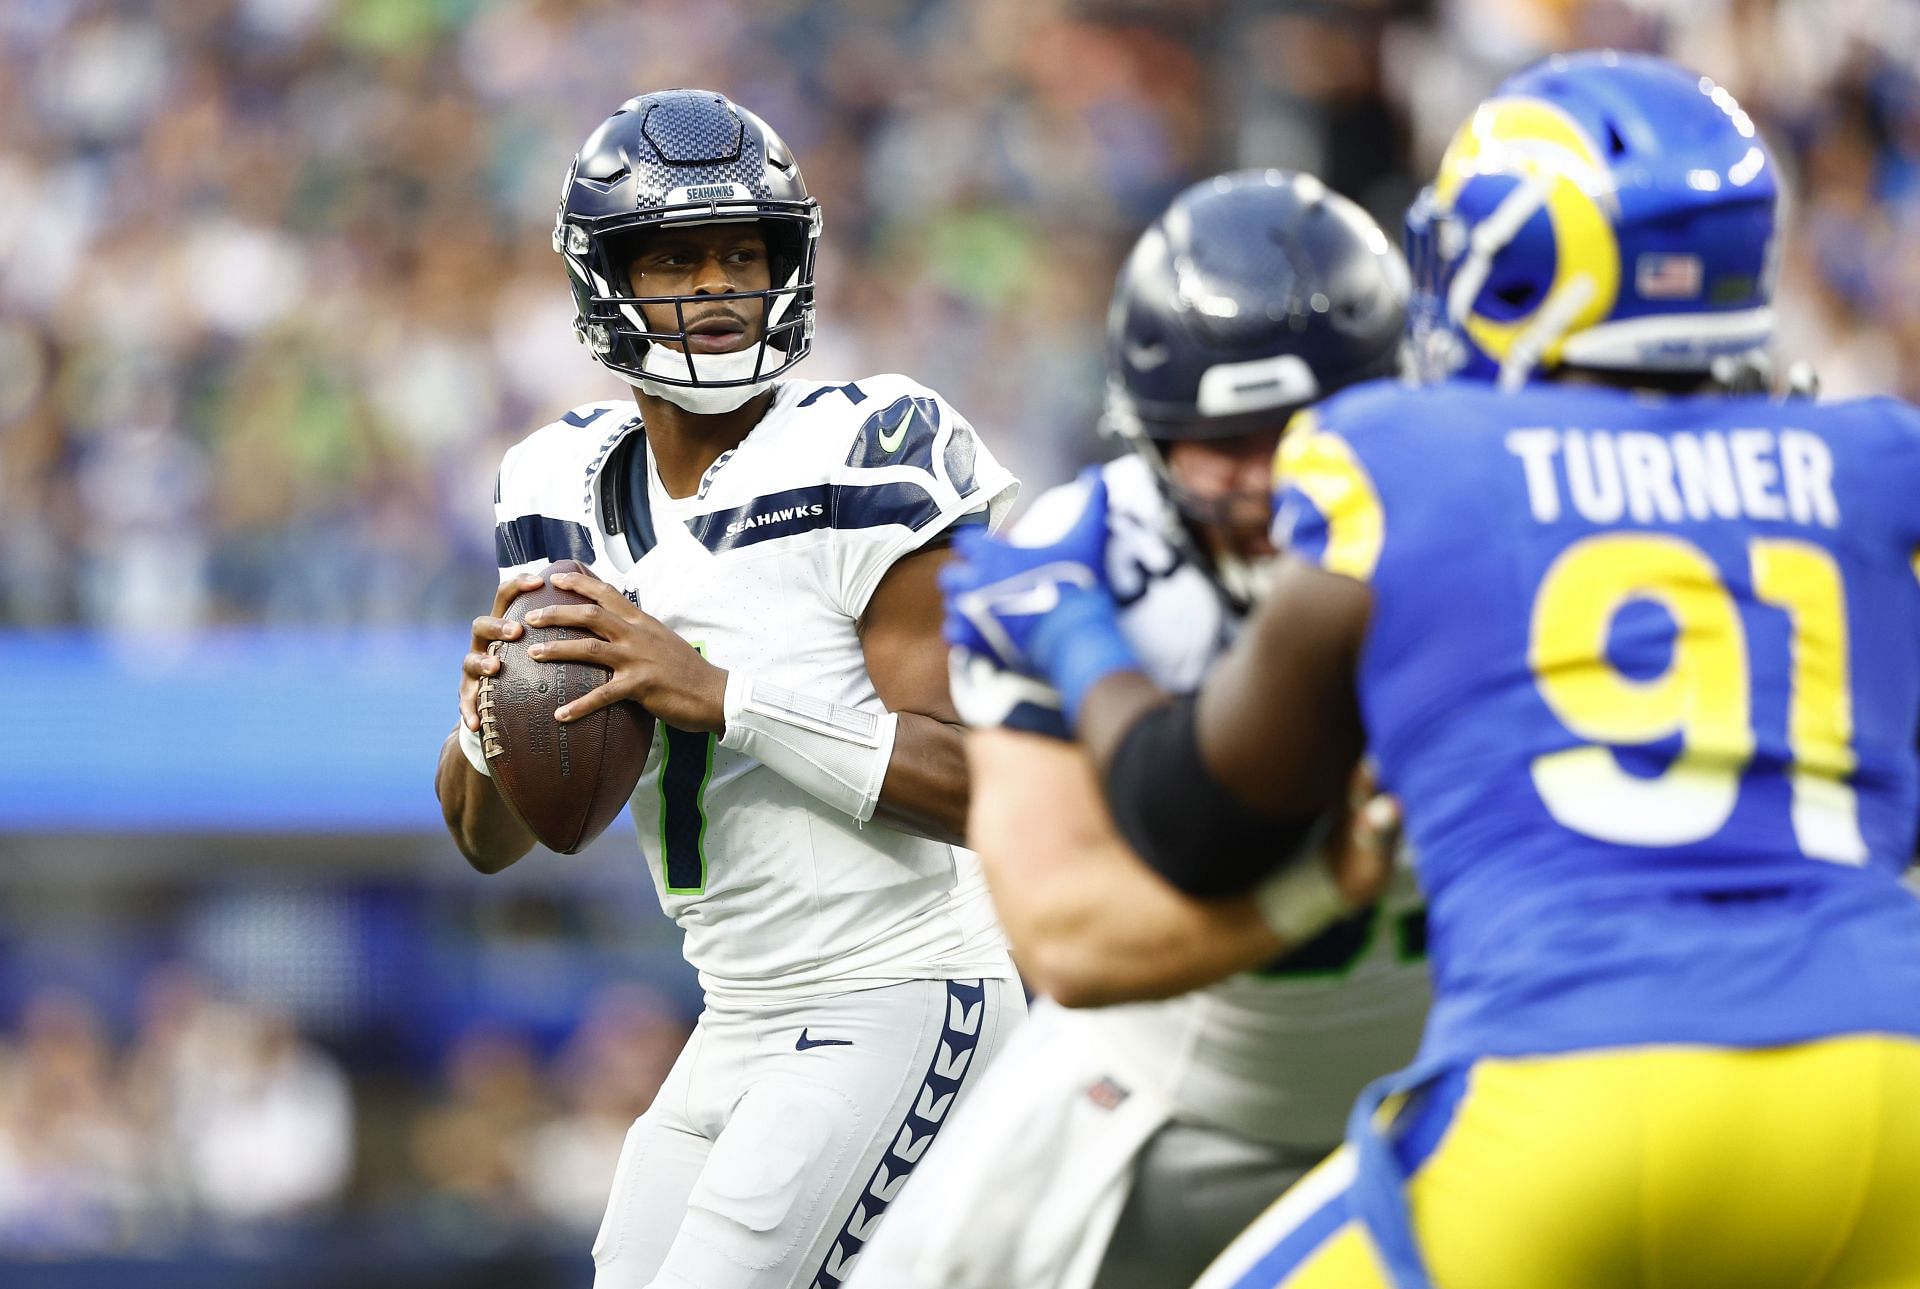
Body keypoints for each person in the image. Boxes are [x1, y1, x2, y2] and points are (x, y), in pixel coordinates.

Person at [943, 52, 1920, 1288]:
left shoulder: (1413, 461)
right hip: (1890, 1072)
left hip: (1575, 1086)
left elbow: (1197, 822)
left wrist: (1075, 632)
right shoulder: (1877, 458)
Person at [432, 89, 1026, 1289]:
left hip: (903, 986)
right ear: (607, 281)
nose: (714, 287)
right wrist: (490, 711)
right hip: (734, 1012)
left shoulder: (873, 446)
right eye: (677, 259)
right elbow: (491, 841)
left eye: (742, 255)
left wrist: (723, 692)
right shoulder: (552, 483)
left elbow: (988, 784)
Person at [847, 170, 1426, 1289]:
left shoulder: (1482, 529)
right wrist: (1318, 889)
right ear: (1157, 435)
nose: (1266, 481)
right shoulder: (1074, 562)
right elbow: (1069, 935)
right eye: (1229, 439)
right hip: (1169, 1093)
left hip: (1456, 1085)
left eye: (1303, 430)